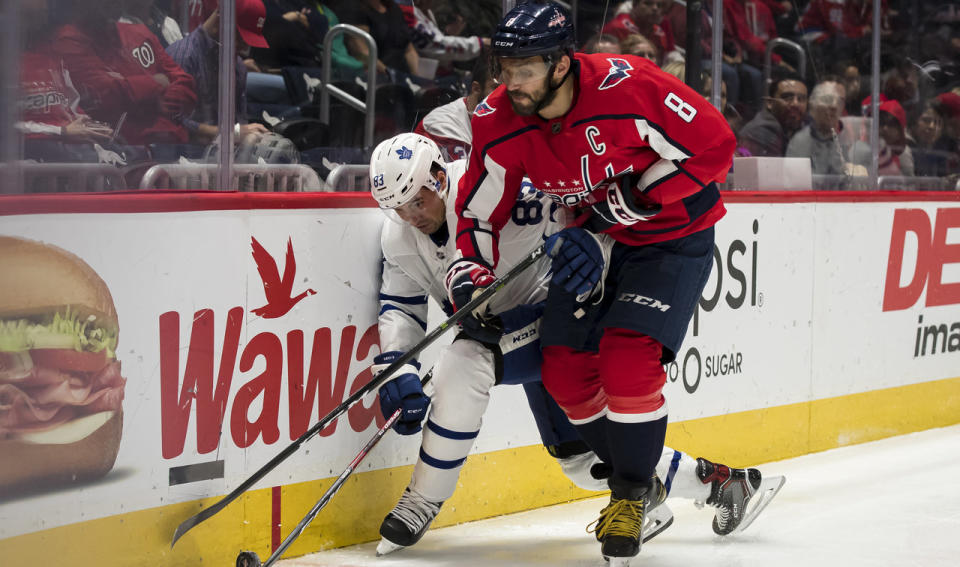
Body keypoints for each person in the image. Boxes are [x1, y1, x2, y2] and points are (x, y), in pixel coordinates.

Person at [443, 3, 758, 564]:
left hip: (670, 236)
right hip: (591, 242)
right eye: (503, 67)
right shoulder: (497, 117)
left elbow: (714, 146)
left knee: (627, 360)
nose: (509, 82)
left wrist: (640, 196)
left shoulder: (630, 87)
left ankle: (631, 496)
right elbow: (476, 212)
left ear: (561, 64)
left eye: (524, 69)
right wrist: (471, 273)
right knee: (562, 367)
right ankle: (678, 482)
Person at [370, 133, 783, 557]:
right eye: (398, 208)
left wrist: (584, 247)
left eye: (416, 201)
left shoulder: (493, 187)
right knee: (582, 460)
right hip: (502, 329)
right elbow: (400, 310)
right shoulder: (397, 237)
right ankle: (720, 486)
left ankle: (421, 500)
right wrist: (398, 371)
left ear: (439, 178)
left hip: (561, 315)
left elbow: (583, 217)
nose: (410, 215)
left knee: (465, 361)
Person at [166, 0, 272, 144]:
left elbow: (239, 124)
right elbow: (171, 124)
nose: (244, 47)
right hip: (186, 158)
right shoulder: (183, 57)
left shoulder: (238, 66)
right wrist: (232, 133)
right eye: (240, 38)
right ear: (221, 17)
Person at [413, 55, 498, 161]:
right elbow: (460, 176)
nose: (505, 96)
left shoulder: (501, 118)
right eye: (497, 88)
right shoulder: (443, 124)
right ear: (476, 89)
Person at [739, 73, 808, 157]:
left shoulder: (801, 129)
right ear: (770, 103)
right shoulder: (761, 131)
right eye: (787, 97)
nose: (795, 103)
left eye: (801, 99)